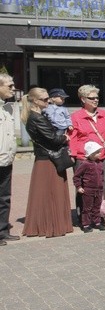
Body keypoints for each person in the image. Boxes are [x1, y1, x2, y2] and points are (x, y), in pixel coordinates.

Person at [21, 87, 74, 238]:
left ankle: (49, 224)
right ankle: (49, 225)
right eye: (45, 99)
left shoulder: (39, 115)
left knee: (49, 193)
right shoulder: (36, 117)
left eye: (48, 98)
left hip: (46, 158)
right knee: (50, 193)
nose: (48, 101)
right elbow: (53, 138)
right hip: (48, 160)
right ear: (35, 101)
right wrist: (65, 138)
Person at [69, 84, 105, 228]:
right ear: (83, 99)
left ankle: (99, 216)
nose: (96, 100)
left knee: (100, 187)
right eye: (92, 98)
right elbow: (73, 138)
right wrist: (73, 155)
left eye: (97, 97)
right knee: (83, 189)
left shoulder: (104, 114)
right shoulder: (76, 117)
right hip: (83, 158)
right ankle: (83, 218)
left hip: (100, 158)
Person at [0, 73, 18, 246]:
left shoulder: (6, 108)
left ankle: (3, 230)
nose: (13, 89)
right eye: (9, 86)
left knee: (4, 197)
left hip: (6, 160)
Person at [73, 142, 105, 232]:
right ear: (91, 154)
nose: (100, 153)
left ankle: (97, 222)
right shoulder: (85, 164)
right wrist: (78, 186)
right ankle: (86, 224)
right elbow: (77, 176)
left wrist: (102, 185)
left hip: (98, 189)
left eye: (100, 151)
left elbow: (102, 175)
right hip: (88, 189)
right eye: (97, 152)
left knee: (97, 207)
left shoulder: (100, 163)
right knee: (87, 208)